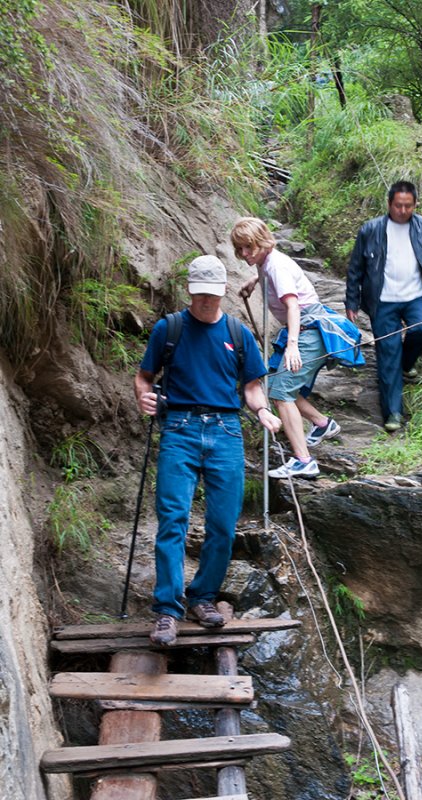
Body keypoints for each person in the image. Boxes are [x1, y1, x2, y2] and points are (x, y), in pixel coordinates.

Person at [134, 255, 281, 646]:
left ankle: (203, 597)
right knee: (172, 519)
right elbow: (144, 377)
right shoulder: (171, 328)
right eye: (200, 295)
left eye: (212, 296)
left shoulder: (238, 331)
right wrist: (145, 399)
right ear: (190, 290)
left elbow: (252, 385)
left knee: (222, 524)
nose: (206, 303)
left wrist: (263, 410)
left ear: (221, 293)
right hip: (179, 429)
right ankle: (167, 609)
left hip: (226, 431)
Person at [231, 217, 364, 479]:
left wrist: (292, 345)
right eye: (240, 249)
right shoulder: (266, 261)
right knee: (273, 385)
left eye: (248, 248)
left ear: (261, 242)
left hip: (307, 330)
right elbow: (266, 267)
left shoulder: (276, 266)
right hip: (303, 328)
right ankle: (322, 423)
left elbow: (293, 305)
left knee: (280, 393)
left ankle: (304, 461)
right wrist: (253, 280)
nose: (244, 254)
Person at [345, 180, 422, 432]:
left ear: (415, 204)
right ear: (389, 204)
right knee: (387, 355)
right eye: (397, 206)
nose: (402, 211)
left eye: (407, 206)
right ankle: (393, 412)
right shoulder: (370, 230)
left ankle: (407, 362)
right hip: (382, 300)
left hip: (415, 296)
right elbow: (355, 269)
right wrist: (351, 300)